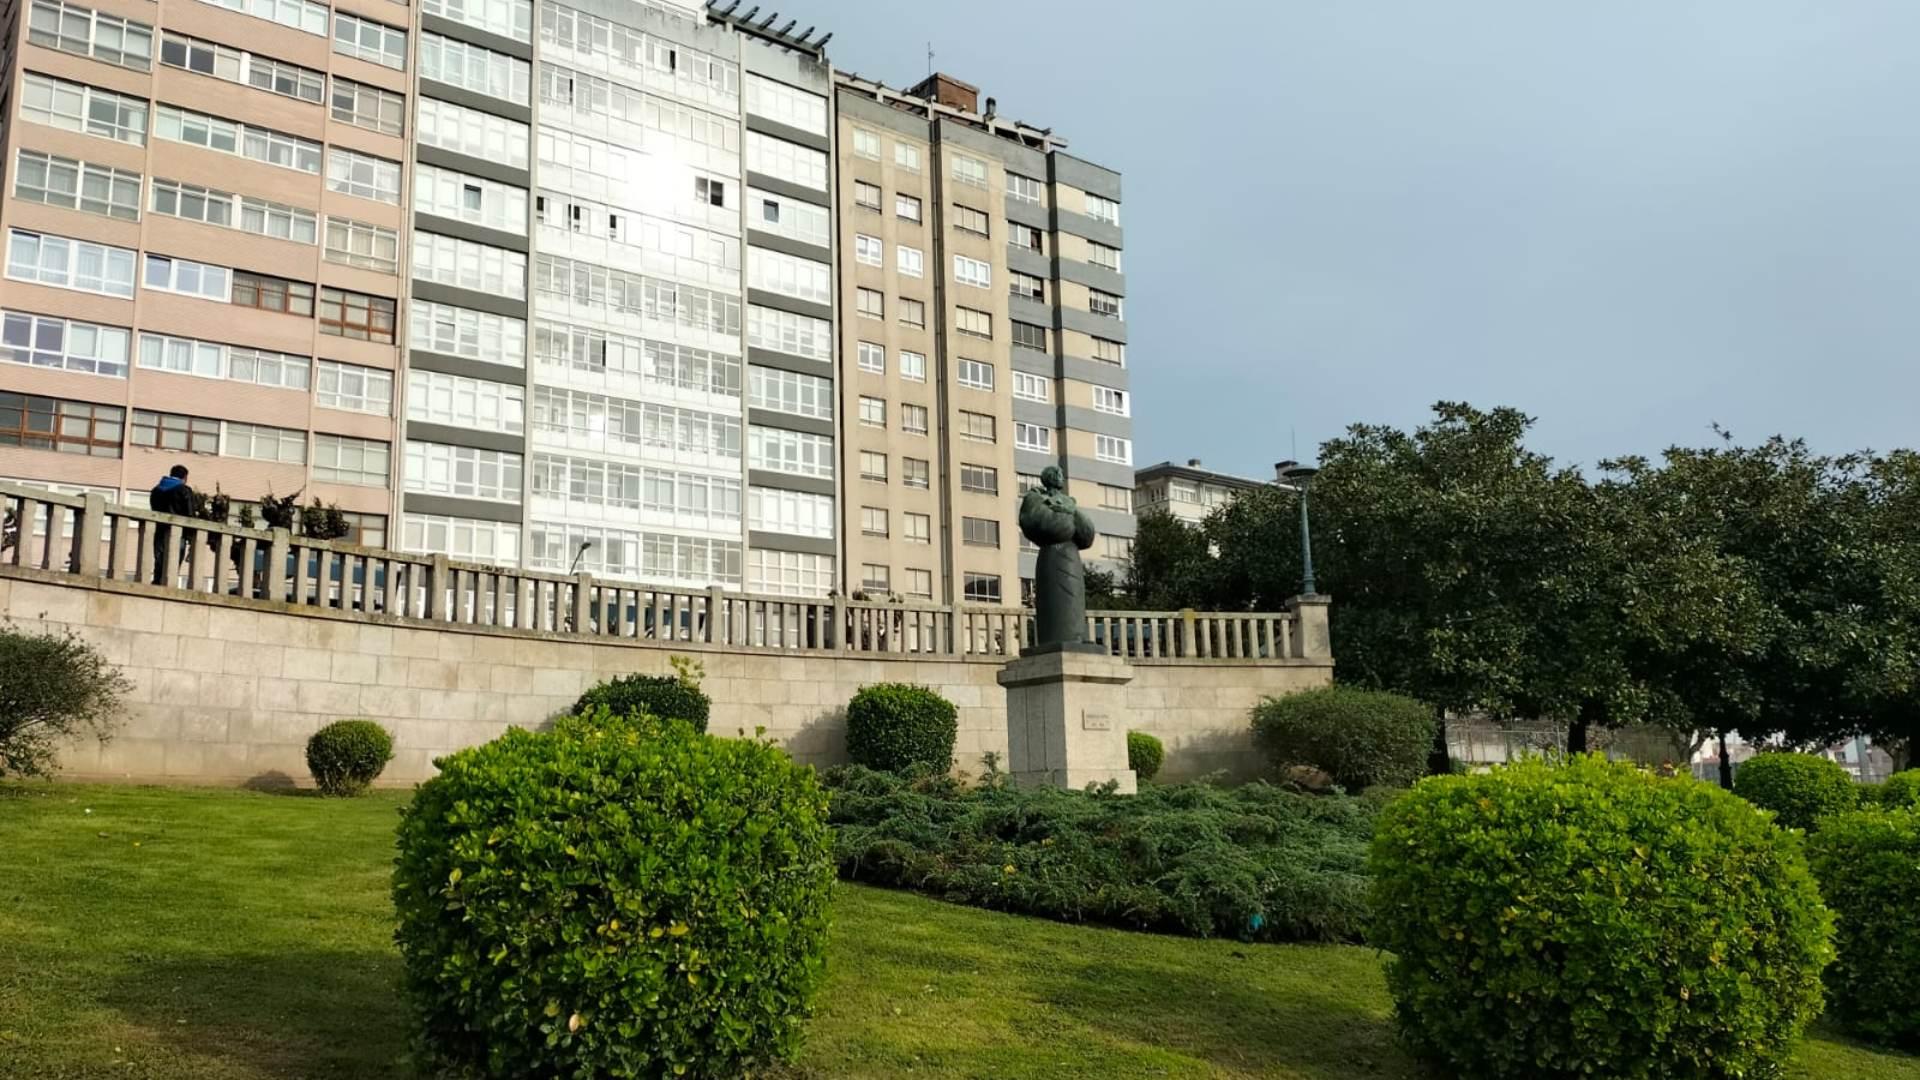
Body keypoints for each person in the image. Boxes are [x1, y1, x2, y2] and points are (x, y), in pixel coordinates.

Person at [149, 465, 194, 585]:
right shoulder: (184, 490)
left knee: (159, 560)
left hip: (159, 531)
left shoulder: (156, 490)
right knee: (174, 560)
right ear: (185, 477)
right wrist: (190, 536)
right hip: (178, 533)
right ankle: (168, 583)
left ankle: (157, 582)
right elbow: (189, 515)